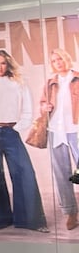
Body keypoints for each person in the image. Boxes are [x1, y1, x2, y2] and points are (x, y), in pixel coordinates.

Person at [0, 49, 48, 233]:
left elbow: (28, 110)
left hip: (10, 131)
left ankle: (32, 220)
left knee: (24, 172)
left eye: (3, 63)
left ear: (8, 64)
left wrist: (17, 128)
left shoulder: (19, 83)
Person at [41, 48, 79, 231]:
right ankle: (71, 213)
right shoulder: (50, 83)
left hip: (76, 130)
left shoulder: (78, 77)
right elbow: (42, 103)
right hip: (56, 130)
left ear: (67, 58)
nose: (58, 62)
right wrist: (45, 106)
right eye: (54, 60)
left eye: (60, 59)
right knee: (62, 174)